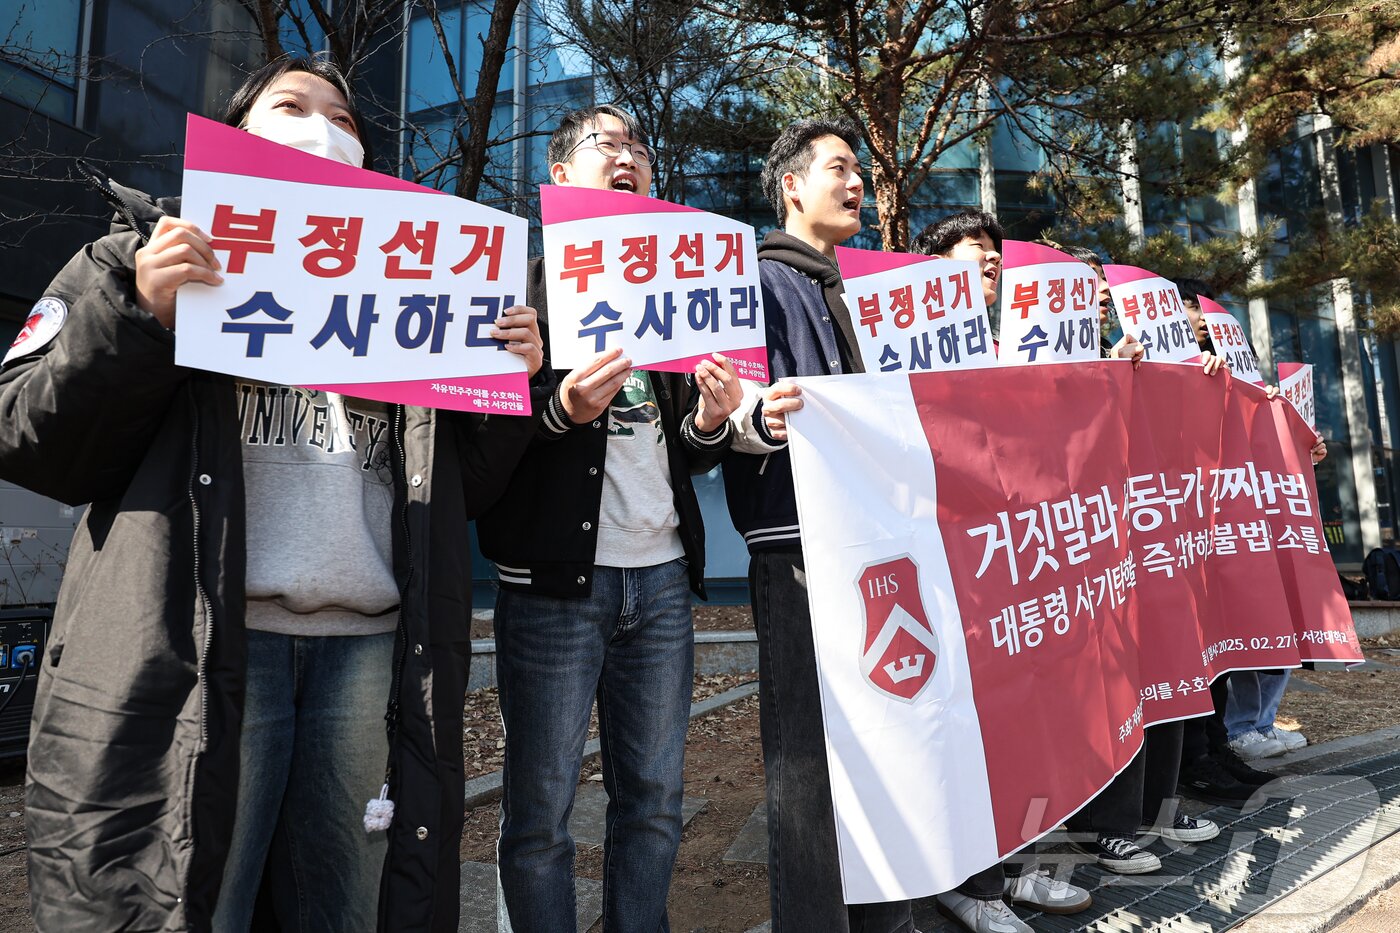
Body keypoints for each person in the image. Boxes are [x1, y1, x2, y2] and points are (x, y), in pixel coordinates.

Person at [0, 56, 549, 932]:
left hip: (365, 652)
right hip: (208, 648)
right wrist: (141, 313)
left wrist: (509, 392)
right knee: (198, 897)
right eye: (291, 106)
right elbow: (26, 432)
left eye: (344, 119)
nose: (322, 127)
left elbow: (457, 501)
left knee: (344, 906)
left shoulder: (417, 288)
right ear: (236, 132)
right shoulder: (144, 255)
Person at [475, 104, 741, 933]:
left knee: (656, 798)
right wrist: (554, 406)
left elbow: (688, 454)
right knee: (540, 809)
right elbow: (478, 446)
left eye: (639, 147)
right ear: (559, 176)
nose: (629, 156)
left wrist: (709, 419)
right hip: (552, 584)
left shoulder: (675, 285)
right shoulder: (517, 286)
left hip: (661, 577)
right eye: (607, 145)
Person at [908, 215, 1093, 931]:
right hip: (954, 559)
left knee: (1030, 717)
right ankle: (970, 884)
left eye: (993, 257)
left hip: (1026, 557)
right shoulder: (912, 342)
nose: (990, 265)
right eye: (974, 257)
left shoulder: (1019, 340)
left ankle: (1022, 864)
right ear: (933, 270)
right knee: (968, 724)